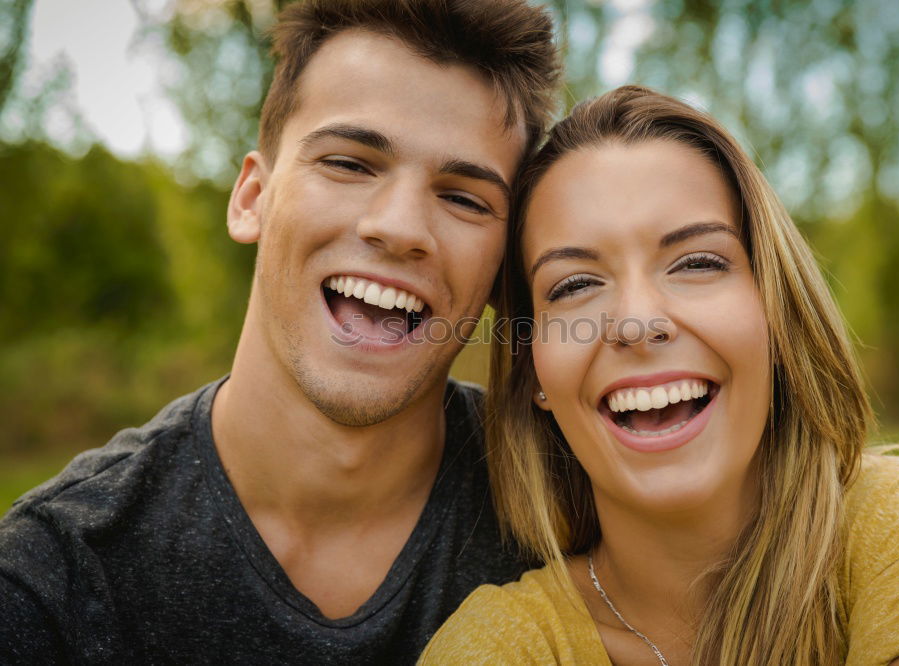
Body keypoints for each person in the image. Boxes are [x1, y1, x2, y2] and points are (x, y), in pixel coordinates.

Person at [0, 1, 559, 662]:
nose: (401, 227)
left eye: (465, 197)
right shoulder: (50, 582)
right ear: (251, 198)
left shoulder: (573, 506)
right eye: (350, 163)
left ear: (503, 272)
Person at [420, 86, 899, 665]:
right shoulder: (499, 643)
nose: (638, 323)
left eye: (697, 262)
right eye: (575, 285)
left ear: (775, 310)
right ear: (533, 372)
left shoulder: (892, 520)